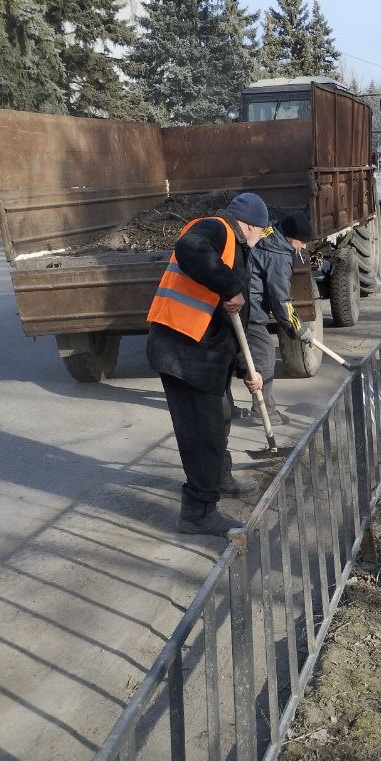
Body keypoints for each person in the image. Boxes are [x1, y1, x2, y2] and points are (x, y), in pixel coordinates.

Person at [146, 192, 269, 537]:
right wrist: (229, 285)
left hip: (202, 355)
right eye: (263, 232)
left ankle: (217, 477)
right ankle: (197, 511)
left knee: (221, 417)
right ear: (250, 225)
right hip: (183, 353)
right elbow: (190, 249)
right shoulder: (215, 229)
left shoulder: (235, 248)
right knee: (202, 433)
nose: (262, 240)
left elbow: (231, 322)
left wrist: (248, 370)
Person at [242, 211, 315, 426]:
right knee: (264, 352)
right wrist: (300, 330)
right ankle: (263, 412)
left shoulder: (268, 231)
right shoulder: (279, 256)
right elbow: (281, 301)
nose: (303, 247)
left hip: (237, 297)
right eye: (302, 242)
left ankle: (225, 406)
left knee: (234, 355)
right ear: (291, 237)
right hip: (249, 307)